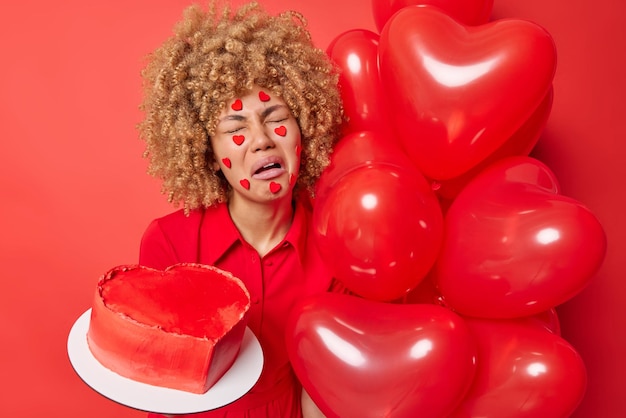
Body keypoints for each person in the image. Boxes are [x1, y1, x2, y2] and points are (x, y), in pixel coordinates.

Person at [136, 1, 344, 417]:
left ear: (305, 127)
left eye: (275, 117)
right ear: (209, 154)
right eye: (235, 129)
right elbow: (161, 388)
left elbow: (325, 388)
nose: (262, 140)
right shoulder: (169, 243)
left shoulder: (338, 245)